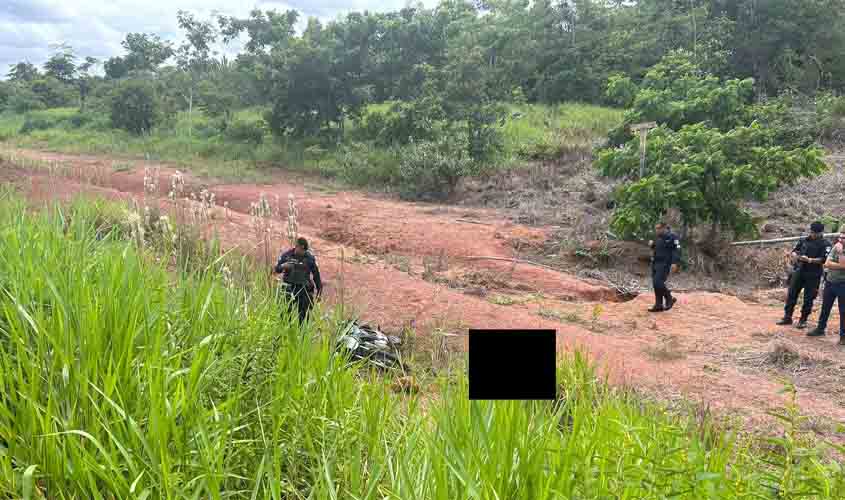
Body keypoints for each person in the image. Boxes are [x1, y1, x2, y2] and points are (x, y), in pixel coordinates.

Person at [777, 222, 831, 329]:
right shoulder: (804, 240)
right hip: (799, 271)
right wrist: (795, 255)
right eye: (811, 232)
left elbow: (824, 260)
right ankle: (787, 317)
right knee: (792, 294)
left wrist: (810, 260)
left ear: (821, 232)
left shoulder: (826, 244)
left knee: (808, 298)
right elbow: (795, 250)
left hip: (813, 274)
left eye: (815, 233)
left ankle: (803, 320)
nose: (813, 234)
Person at [806, 232, 845, 345]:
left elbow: (843, 265)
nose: (840, 240)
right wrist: (837, 263)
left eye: (843, 238)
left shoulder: (838, 249)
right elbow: (826, 263)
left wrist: (840, 253)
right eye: (840, 237)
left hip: (843, 284)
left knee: (843, 311)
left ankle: (843, 336)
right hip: (830, 282)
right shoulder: (836, 247)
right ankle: (820, 328)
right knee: (825, 307)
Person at [273, 237, 322, 323]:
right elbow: (275, 270)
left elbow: (316, 275)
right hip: (289, 288)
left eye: (303, 250)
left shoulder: (310, 258)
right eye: (299, 248)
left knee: (303, 319)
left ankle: (302, 335)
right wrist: (283, 266)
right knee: (285, 316)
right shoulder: (287, 255)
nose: (301, 252)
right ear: (297, 246)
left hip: (303, 290)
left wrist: (319, 291)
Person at [647, 222, 681, 313]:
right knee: (655, 284)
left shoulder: (672, 237)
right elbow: (658, 247)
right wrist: (652, 245)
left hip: (665, 263)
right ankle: (658, 304)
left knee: (658, 281)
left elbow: (676, 250)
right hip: (655, 263)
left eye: (658, 228)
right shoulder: (658, 237)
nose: (656, 230)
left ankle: (669, 298)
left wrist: (675, 263)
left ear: (664, 228)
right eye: (656, 229)